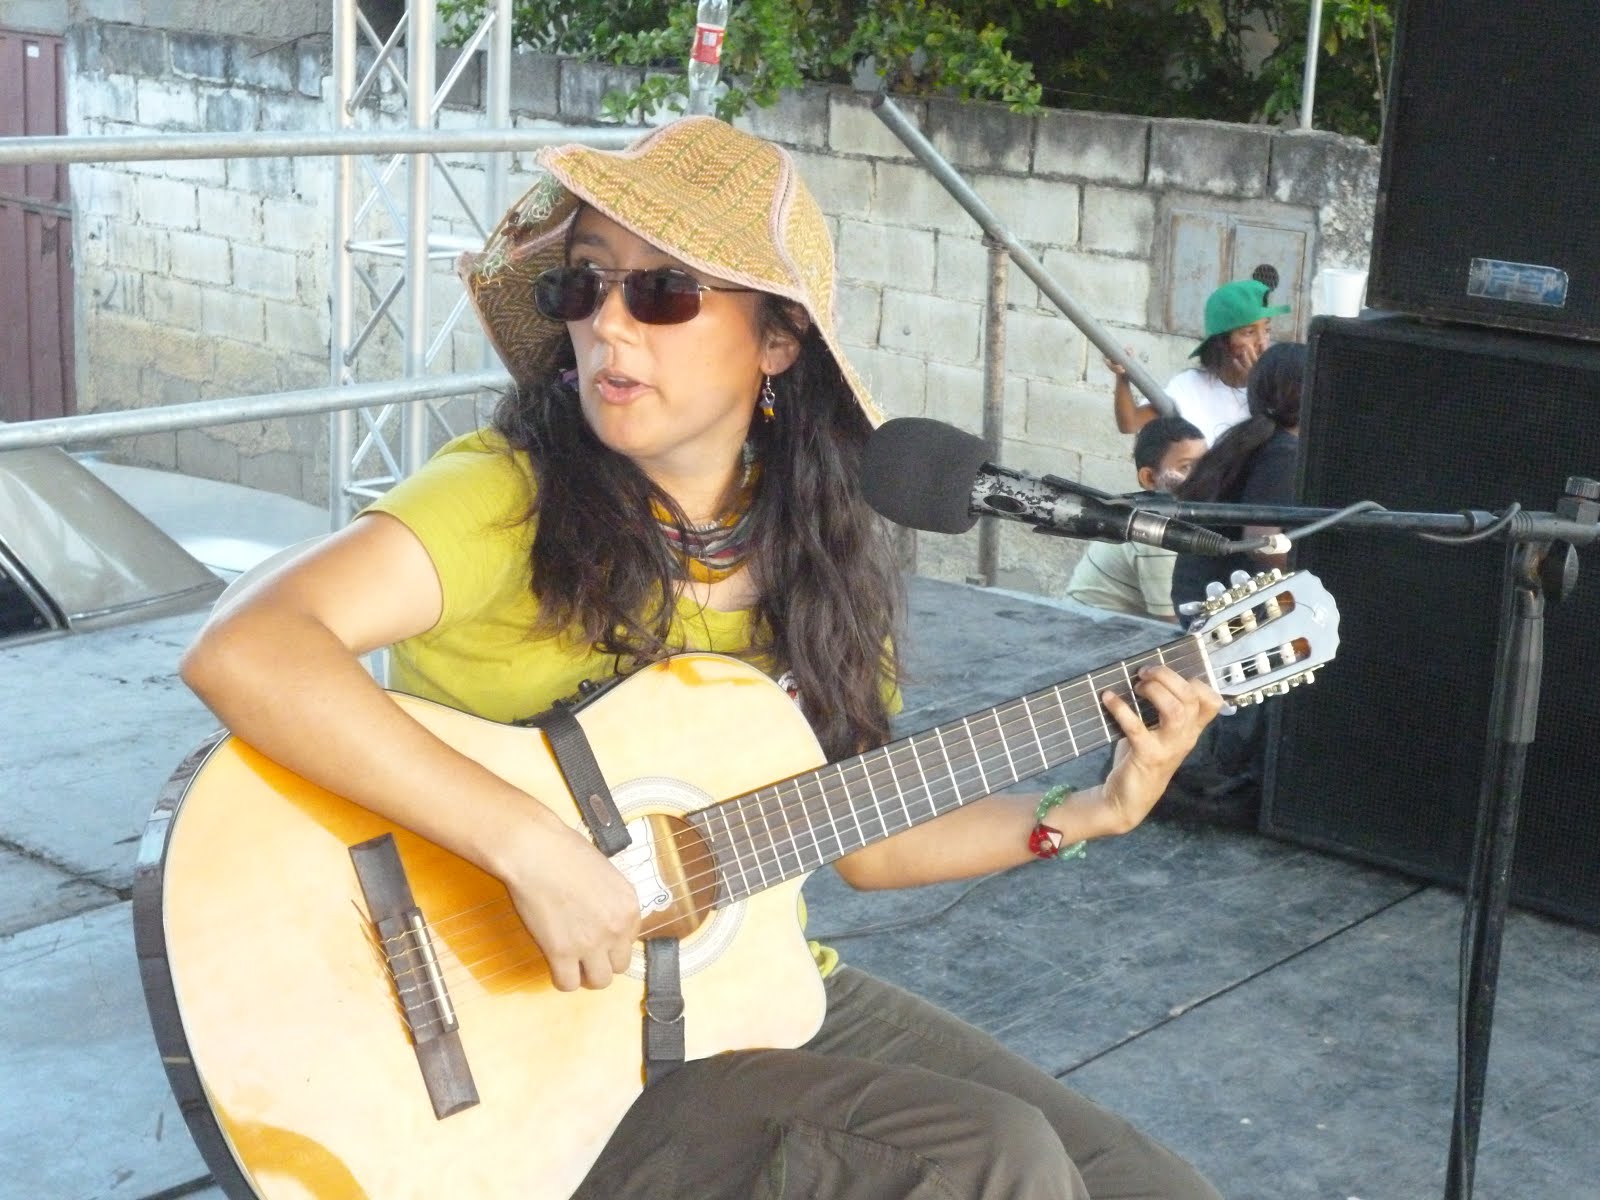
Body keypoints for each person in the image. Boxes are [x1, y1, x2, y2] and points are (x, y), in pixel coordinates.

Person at [179, 116, 1224, 1200]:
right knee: (986, 1161)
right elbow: (247, 646)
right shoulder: (505, 495)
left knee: (1153, 1190)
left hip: (741, 1003)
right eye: (584, 287)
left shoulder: (817, 558)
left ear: (778, 339)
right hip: (538, 1052)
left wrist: (1084, 813)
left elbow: (860, 837)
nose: (610, 328)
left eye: (665, 291)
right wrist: (530, 847)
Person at [1160, 341, 1307, 830]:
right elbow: (1265, 549)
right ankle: (1226, 778)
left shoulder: (1249, 440)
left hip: (1201, 599)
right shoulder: (1282, 455)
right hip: (1223, 612)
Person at [1110, 277, 1291, 446]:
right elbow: (1130, 423)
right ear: (1222, 343)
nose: (1262, 343)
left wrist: (1259, 387)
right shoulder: (1191, 386)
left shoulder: (1279, 389)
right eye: (1249, 332)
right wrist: (1123, 378)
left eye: (1267, 330)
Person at [1064, 415, 1206, 622]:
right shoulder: (1155, 529)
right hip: (1093, 638)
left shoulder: (1182, 515)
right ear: (1149, 478)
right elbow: (1175, 625)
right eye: (1186, 467)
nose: (1205, 475)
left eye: (1208, 463)